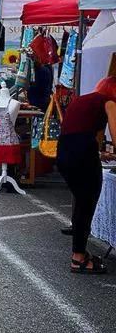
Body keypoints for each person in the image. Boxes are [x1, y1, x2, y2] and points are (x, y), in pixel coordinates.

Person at [56, 76, 116, 274]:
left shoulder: (82, 100)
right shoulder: (109, 102)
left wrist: (99, 153)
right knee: (86, 205)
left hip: (65, 153)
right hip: (82, 155)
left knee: (81, 203)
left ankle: (80, 253)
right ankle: (78, 258)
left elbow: (76, 133)